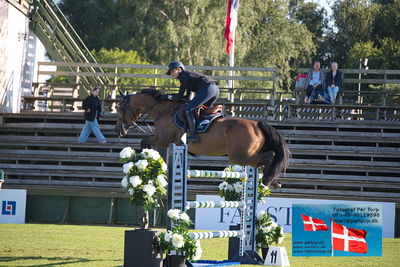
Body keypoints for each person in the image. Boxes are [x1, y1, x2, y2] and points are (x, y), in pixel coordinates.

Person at [162, 61, 220, 143]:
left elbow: (179, 96)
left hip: (207, 89)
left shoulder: (183, 76)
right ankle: (203, 130)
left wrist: (167, 96)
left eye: (172, 71)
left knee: (189, 110)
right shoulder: (187, 76)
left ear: (179, 69)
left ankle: (193, 135)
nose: (171, 74)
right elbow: (187, 96)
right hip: (214, 90)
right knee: (200, 110)